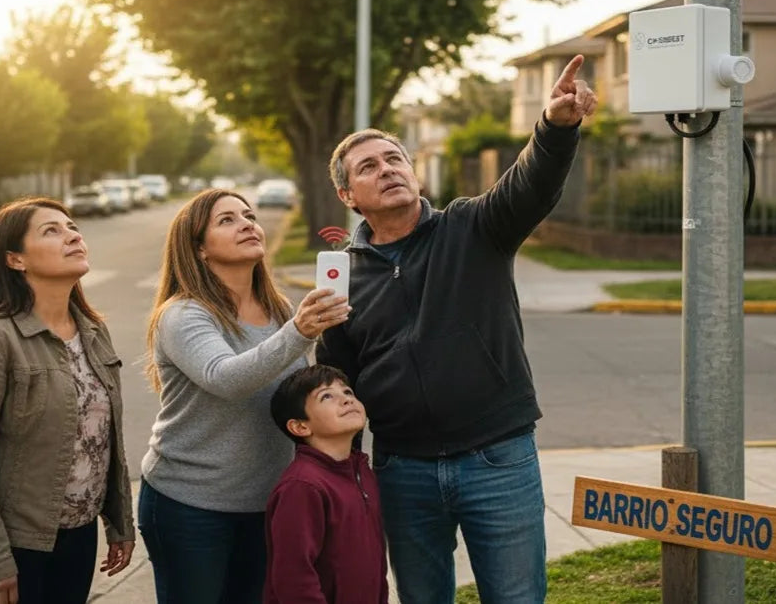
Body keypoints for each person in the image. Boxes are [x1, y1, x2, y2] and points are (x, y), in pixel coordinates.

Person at [318, 54, 598, 604]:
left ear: (414, 170)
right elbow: (337, 378)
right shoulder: (340, 276)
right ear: (348, 197)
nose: (387, 169)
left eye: (394, 158)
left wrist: (556, 127)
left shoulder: (473, 226)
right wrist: (341, 470)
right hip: (402, 468)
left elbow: (530, 184)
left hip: (498, 457)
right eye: (368, 167)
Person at [139, 189, 352, 604]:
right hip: (190, 506)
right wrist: (300, 332)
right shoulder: (184, 314)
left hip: (267, 503)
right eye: (227, 220)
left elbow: (291, 395)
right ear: (198, 248)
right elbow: (227, 379)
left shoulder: (279, 310)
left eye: (249, 216)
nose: (247, 224)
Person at [0, 197, 135, 604]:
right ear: (14, 260)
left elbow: (103, 441)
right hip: (8, 541)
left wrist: (118, 523)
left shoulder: (92, 331)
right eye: (52, 230)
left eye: (72, 226)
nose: (73, 235)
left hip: (76, 538)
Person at [264, 364, 388, 604]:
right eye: (327, 396)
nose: (345, 400)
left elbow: (375, 564)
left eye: (347, 392)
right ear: (300, 426)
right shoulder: (302, 486)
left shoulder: (361, 472)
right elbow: (293, 578)